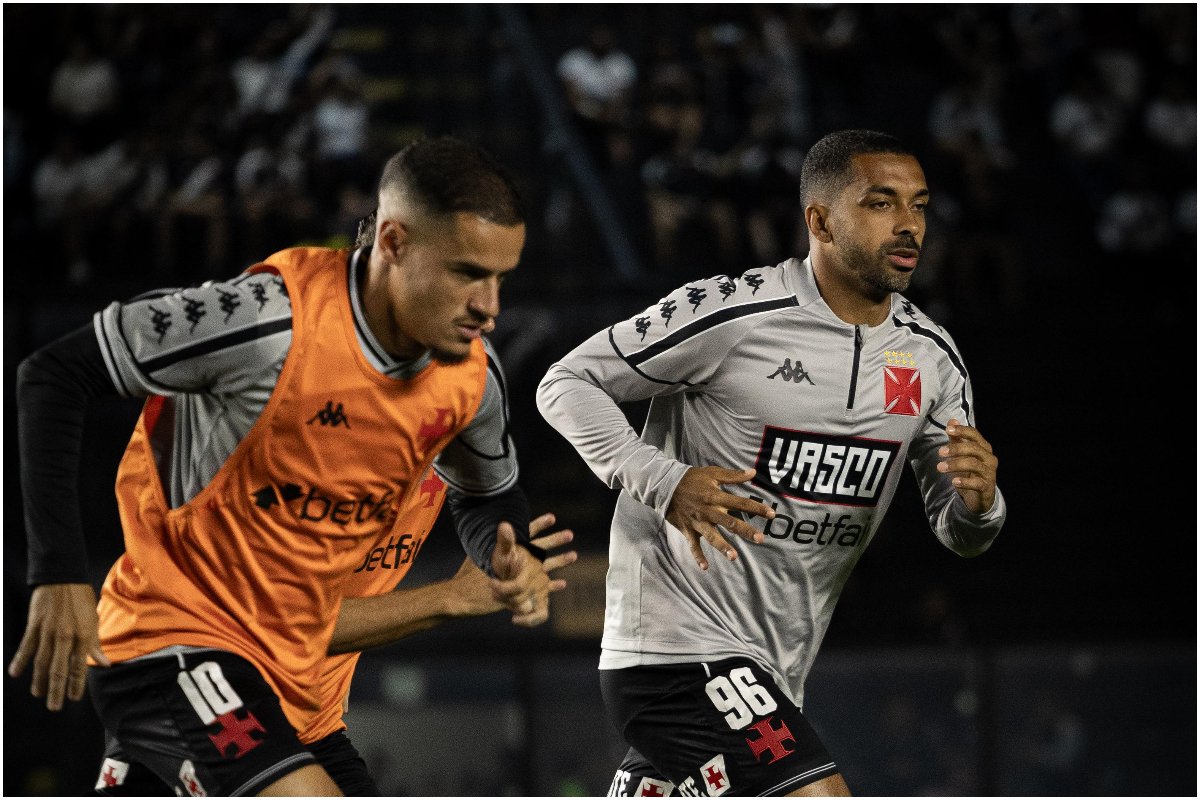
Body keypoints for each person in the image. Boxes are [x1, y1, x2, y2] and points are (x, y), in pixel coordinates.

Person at [11, 135, 558, 796]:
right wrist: (59, 575)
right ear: (391, 243)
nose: (490, 306)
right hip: (178, 643)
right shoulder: (268, 324)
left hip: (301, 709)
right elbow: (55, 372)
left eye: (501, 278)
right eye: (468, 273)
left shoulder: (471, 379)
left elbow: (489, 496)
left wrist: (505, 550)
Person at [536, 129, 1006, 796]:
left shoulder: (931, 357)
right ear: (820, 219)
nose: (909, 226)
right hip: (674, 647)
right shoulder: (735, 312)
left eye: (920, 205)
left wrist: (981, 503)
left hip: (777, 669)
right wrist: (666, 483)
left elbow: (959, 532)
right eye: (881, 203)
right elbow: (565, 383)